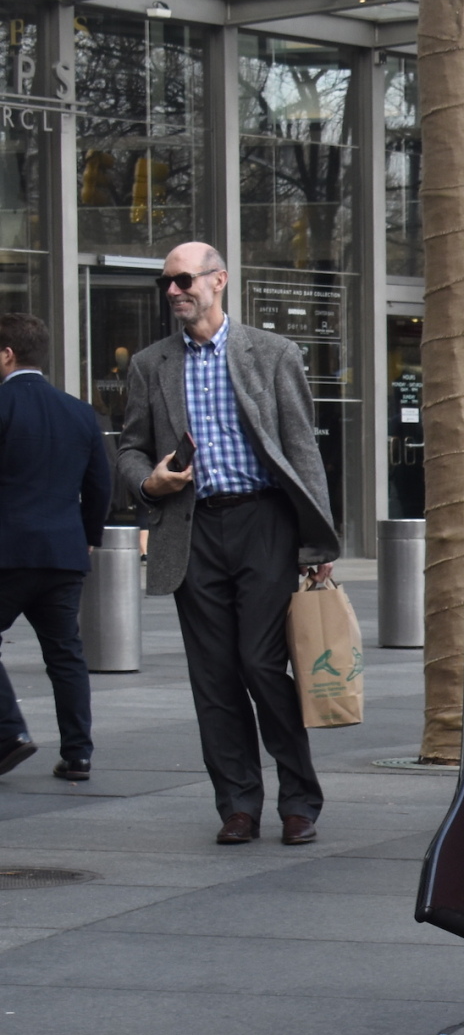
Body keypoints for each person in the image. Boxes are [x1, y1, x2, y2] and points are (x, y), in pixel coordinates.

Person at [117, 241, 339, 846]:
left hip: (264, 522)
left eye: (184, 280)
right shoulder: (150, 365)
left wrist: (316, 547)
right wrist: (148, 479)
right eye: (167, 282)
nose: (173, 292)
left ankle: (299, 801)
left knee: (261, 663)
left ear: (219, 281)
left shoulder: (272, 353)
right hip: (191, 529)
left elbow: (301, 450)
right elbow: (130, 447)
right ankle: (237, 804)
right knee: (213, 676)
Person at [0, 314, 112, 781]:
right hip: (64, 554)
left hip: (7, 552)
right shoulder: (79, 411)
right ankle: (79, 754)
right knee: (65, 654)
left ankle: (10, 734)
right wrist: (87, 538)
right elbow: (101, 486)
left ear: (7, 354)